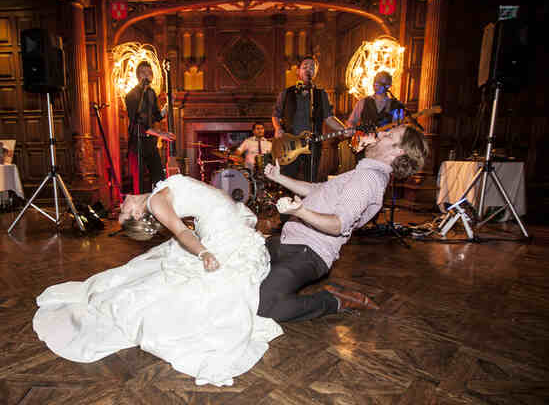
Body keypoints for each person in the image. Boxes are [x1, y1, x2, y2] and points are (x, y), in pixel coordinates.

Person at [32, 174, 283, 387]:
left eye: (120, 211)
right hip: (227, 240)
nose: (122, 205)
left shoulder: (158, 192)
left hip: (231, 230)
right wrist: (204, 253)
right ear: (140, 213)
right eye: (125, 212)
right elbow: (183, 231)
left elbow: (207, 195)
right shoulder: (155, 202)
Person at [257, 125, 428, 321]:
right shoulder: (363, 172)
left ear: (398, 151)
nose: (379, 134)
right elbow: (318, 190)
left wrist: (301, 211)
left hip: (308, 253)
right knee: (236, 266)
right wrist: (278, 178)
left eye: (388, 135)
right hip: (290, 242)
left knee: (262, 307)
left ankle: (332, 300)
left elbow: (338, 225)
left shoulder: (367, 178)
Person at [272, 55, 346, 183]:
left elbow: (329, 117)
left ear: (315, 72)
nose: (308, 69)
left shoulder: (321, 94)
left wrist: (344, 129)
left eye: (312, 67)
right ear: (298, 71)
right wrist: (278, 128)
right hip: (289, 144)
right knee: (287, 181)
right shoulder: (286, 93)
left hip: (312, 145)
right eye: (305, 66)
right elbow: (276, 115)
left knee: (309, 181)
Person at [124, 61, 168, 194]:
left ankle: (157, 208)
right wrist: (160, 133)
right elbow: (138, 122)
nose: (147, 76)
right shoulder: (131, 95)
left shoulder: (151, 93)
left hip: (150, 143)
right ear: (137, 76)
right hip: (137, 143)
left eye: (149, 73)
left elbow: (156, 117)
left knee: (160, 179)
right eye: (143, 73)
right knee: (141, 183)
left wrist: (166, 108)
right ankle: (140, 212)